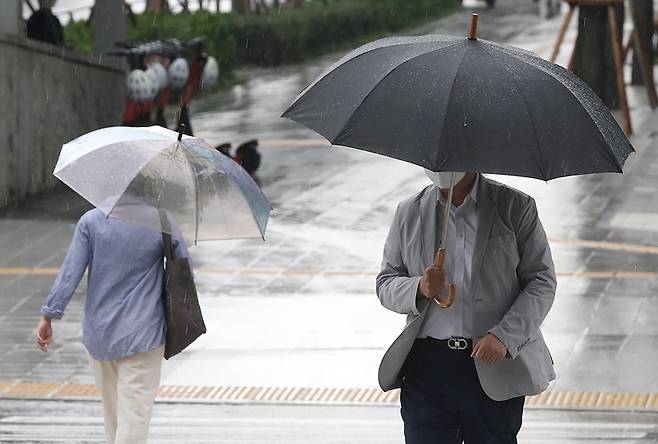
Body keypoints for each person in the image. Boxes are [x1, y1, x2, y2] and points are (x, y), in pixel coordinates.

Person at [376, 171, 556, 444]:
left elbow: (541, 281)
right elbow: (386, 283)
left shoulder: (515, 206)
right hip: (427, 367)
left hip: (490, 361)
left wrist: (504, 337)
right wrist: (419, 287)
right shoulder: (409, 212)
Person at [35, 204, 191, 444]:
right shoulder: (162, 221)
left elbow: (70, 272)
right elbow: (185, 272)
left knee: (114, 417)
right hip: (144, 332)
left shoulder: (91, 221)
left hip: (100, 335)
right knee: (133, 420)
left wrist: (49, 315)